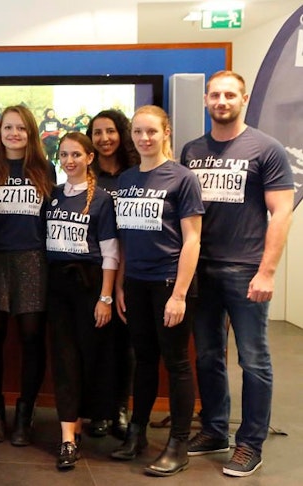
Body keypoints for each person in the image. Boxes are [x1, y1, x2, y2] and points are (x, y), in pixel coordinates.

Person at [181, 71, 294, 478]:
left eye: (229, 94)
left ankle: (250, 444)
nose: (221, 100)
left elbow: (281, 212)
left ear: (243, 98)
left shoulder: (266, 148)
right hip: (202, 271)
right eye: (215, 94)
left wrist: (267, 271)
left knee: (253, 360)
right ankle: (213, 430)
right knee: (208, 356)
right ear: (206, 101)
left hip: (246, 270)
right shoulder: (192, 150)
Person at [110, 105, 203, 477]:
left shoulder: (182, 178)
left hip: (170, 284)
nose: (144, 138)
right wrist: (119, 286)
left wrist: (179, 294)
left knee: (177, 363)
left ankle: (178, 444)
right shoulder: (127, 178)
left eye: (151, 131)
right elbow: (124, 240)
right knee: (143, 360)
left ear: (166, 132)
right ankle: (137, 433)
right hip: (135, 284)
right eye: (137, 132)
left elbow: (193, 238)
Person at [0, 105, 55, 447]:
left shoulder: (44, 169)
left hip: (33, 262)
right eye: (8, 127)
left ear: (31, 132)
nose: (14, 134)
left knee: (32, 340)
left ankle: (24, 414)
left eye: (21, 128)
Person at [44, 132, 118, 470]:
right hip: (56, 288)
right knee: (63, 360)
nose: (69, 160)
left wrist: (105, 297)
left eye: (76, 154)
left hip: (89, 288)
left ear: (89, 158)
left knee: (91, 358)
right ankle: (67, 438)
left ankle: (91, 419)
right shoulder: (53, 195)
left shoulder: (102, 199)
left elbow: (111, 255)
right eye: (64, 154)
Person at [85, 109, 139, 438]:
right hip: (97, 272)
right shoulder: (87, 178)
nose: (104, 138)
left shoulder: (135, 174)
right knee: (97, 344)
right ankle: (99, 411)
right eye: (97, 132)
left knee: (127, 345)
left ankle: (121, 409)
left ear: (122, 133)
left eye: (110, 131)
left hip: (132, 271)